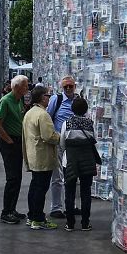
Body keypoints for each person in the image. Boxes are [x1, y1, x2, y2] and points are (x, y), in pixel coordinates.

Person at [23, 84, 61, 229]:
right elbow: (48, 136)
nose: (49, 98)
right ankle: (38, 219)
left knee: (35, 186)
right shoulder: (43, 115)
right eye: (48, 95)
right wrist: (60, 137)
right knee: (41, 188)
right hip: (43, 157)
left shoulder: (30, 113)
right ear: (42, 97)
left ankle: (32, 215)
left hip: (33, 155)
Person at [59, 96, 99, 231]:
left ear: (72, 109)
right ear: (86, 109)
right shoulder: (90, 123)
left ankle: (70, 223)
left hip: (70, 161)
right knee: (86, 192)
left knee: (69, 192)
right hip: (87, 161)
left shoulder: (66, 123)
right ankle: (85, 223)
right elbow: (94, 139)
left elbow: (62, 143)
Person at [0, 75, 29, 224]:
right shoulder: (6, 101)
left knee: (17, 177)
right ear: (16, 87)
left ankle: (12, 208)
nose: (27, 88)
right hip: (9, 141)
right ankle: (6, 212)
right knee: (12, 177)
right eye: (25, 86)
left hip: (17, 140)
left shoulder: (19, 100)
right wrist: (9, 141)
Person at [46, 75, 79, 218]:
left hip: (73, 143)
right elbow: (48, 117)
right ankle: (56, 208)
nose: (68, 88)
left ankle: (71, 205)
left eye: (71, 86)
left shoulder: (78, 100)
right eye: (66, 86)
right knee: (57, 176)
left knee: (72, 176)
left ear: (75, 86)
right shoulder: (56, 99)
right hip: (59, 142)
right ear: (62, 87)